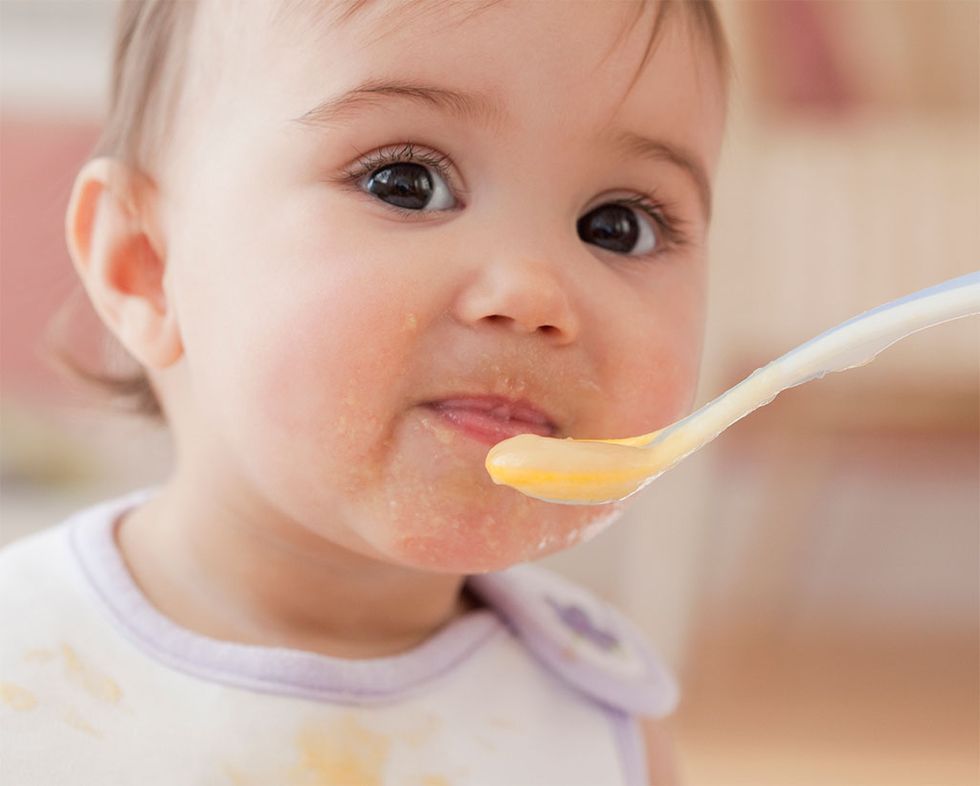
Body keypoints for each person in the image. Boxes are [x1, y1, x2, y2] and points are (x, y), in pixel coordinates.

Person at [0, 0, 730, 782]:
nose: (533, 292)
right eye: (405, 183)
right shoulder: (28, 667)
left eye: (617, 225)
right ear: (144, 266)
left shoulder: (597, 731)